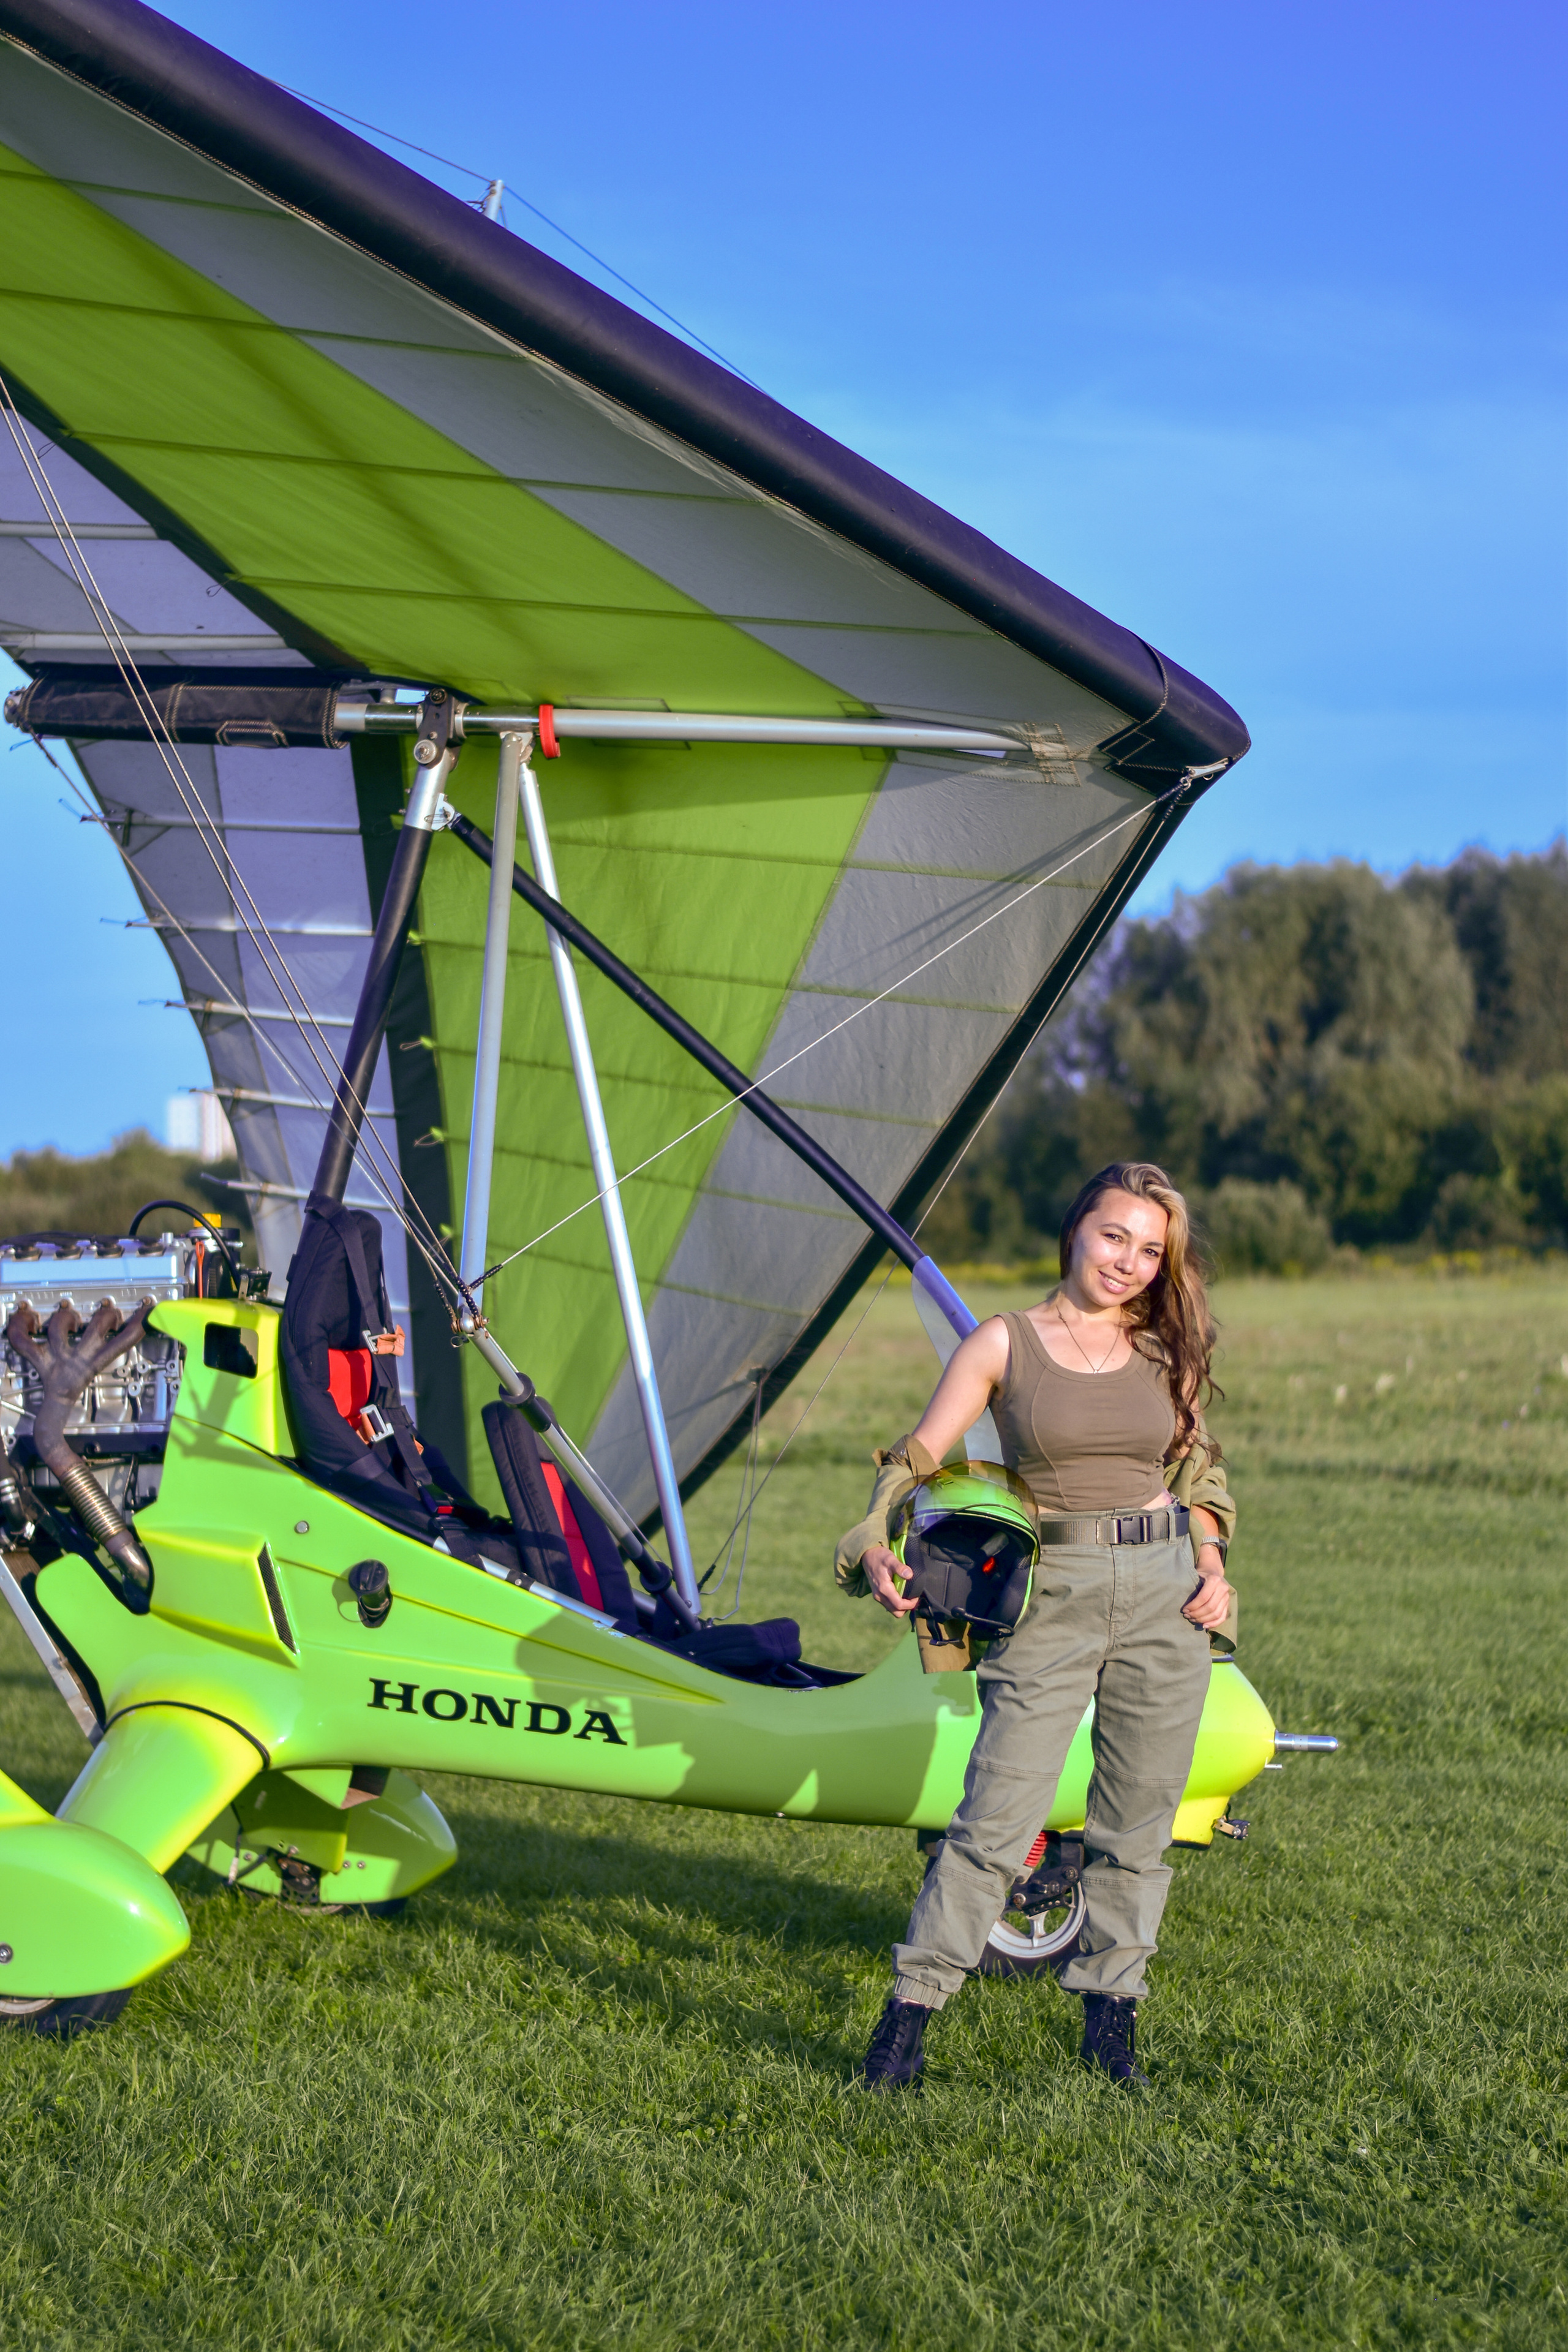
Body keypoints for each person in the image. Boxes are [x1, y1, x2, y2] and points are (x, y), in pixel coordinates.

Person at [837, 1161, 1236, 2090]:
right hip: (1050, 1594)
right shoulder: (1003, 1344)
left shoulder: (1161, 1349)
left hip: (1162, 1589)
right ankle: (906, 2024)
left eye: (1150, 1250)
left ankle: (1112, 2029)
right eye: (1115, 1237)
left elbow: (1198, 1473)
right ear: (1075, 1230)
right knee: (994, 1822)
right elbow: (920, 1458)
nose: (1130, 1263)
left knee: (1137, 1830)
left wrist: (1211, 1567)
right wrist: (874, 1531)